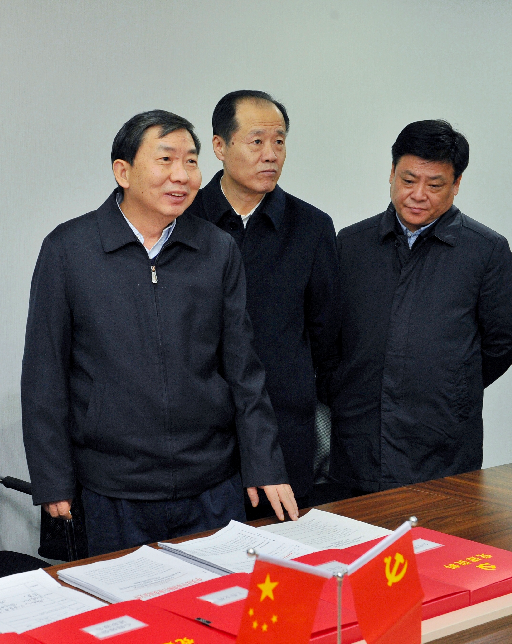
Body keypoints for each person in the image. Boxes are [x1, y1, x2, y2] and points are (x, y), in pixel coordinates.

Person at [21, 110, 297, 557]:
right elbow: (44, 373)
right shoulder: (69, 250)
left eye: (190, 161)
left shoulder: (217, 249)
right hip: (114, 489)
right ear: (123, 172)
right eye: (166, 159)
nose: (181, 175)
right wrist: (53, 480)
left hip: (211, 483)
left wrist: (264, 462)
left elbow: (243, 369)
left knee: (220, 596)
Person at [331, 119, 512, 493]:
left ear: (456, 184)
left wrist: (454, 385)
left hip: (442, 447)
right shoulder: (351, 244)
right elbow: (327, 336)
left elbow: (507, 338)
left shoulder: (485, 250)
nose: (418, 195)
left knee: (440, 529)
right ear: (391, 173)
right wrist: (346, 387)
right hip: (358, 442)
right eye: (408, 180)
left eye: (435, 185)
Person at [186, 91, 338, 509]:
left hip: (283, 429)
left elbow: (326, 335)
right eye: (257, 141)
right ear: (220, 146)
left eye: (279, 141)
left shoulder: (311, 227)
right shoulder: (184, 220)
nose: (271, 154)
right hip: (198, 435)